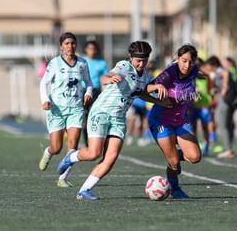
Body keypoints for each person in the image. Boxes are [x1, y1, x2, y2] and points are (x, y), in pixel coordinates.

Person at [57, 41, 171, 200]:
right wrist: (109, 79)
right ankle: (71, 157)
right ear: (130, 57)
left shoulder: (144, 75)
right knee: (93, 153)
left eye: (144, 60)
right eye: (138, 60)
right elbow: (106, 76)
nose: (141, 63)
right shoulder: (124, 66)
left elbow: (140, 93)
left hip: (118, 119)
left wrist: (160, 101)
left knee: (110, 158)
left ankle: (84, 190)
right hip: (101, 112)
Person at [39, 32, 93, 188]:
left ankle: (62, 178)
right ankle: (48, 152)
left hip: (76, 109)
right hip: (57, 109)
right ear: (61, 46)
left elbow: (89, 82)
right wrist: (45, 100)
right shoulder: (55, 63)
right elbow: (44, 83)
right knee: (57, 147)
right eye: (67, 43)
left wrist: (88, 93)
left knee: (73, 146)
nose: (70, 46)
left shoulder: (82, 63)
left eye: (73, 43)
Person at [148, 44, 201, 198]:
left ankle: (172, 153)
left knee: (195, 157)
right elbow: (145, 88)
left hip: (181, 121)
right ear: (177, 58)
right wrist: (157, 89)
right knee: (175, 164)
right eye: (183, 61)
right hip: (161, 121)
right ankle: (175, 188)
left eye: (190, 62)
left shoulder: (194, 71)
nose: (187, 65)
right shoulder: (169, 73)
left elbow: (200, 73)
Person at [202, 56, 236, 159]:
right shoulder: (216, 72)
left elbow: (225, 74)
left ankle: (228, 149)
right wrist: (216, 89)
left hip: (224, 102)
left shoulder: (219, 70)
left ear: (213, 65)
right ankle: (228, 148)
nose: (208, 69)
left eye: (209, 66)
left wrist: (224, 88)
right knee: (227, 125)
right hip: (226, 101)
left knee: (223, 125)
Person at [82, 40, 109, 146]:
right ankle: (86, 143)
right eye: (89, 49)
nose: (91, 51)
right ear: (86, 50)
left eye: (93, 49)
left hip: (96, 91)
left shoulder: (101, 63)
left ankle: (94, 141)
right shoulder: (82, 61)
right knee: (84, 119)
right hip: (83, 91)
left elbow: (106, 76)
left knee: (94, 118)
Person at [190, 58, 216, 156]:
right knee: (194, 128)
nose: (196, 67)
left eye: (198, 65)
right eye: (194, 65)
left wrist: (213, 92)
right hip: (193, 106)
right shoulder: (190, 77)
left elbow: (211, 88)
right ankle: (195, 148)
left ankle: (206, 147)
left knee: (205, 128)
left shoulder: (206, 76)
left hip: (204, 106)